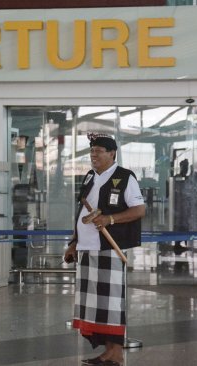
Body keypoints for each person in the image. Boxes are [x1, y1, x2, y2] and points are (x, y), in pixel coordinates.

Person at [64, 133, 145, 366]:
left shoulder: (125, 177)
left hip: (110, 249)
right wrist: (74, 242)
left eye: (99, 151)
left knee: (111, 305)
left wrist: (110, 219)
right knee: (96, 307)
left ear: (112, 154)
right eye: (92, 151)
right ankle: (108, 353)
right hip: (87, 250)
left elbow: (139, 210)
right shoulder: (90, 176)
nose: (93, 155)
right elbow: (81, 213)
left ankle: (116, 353)